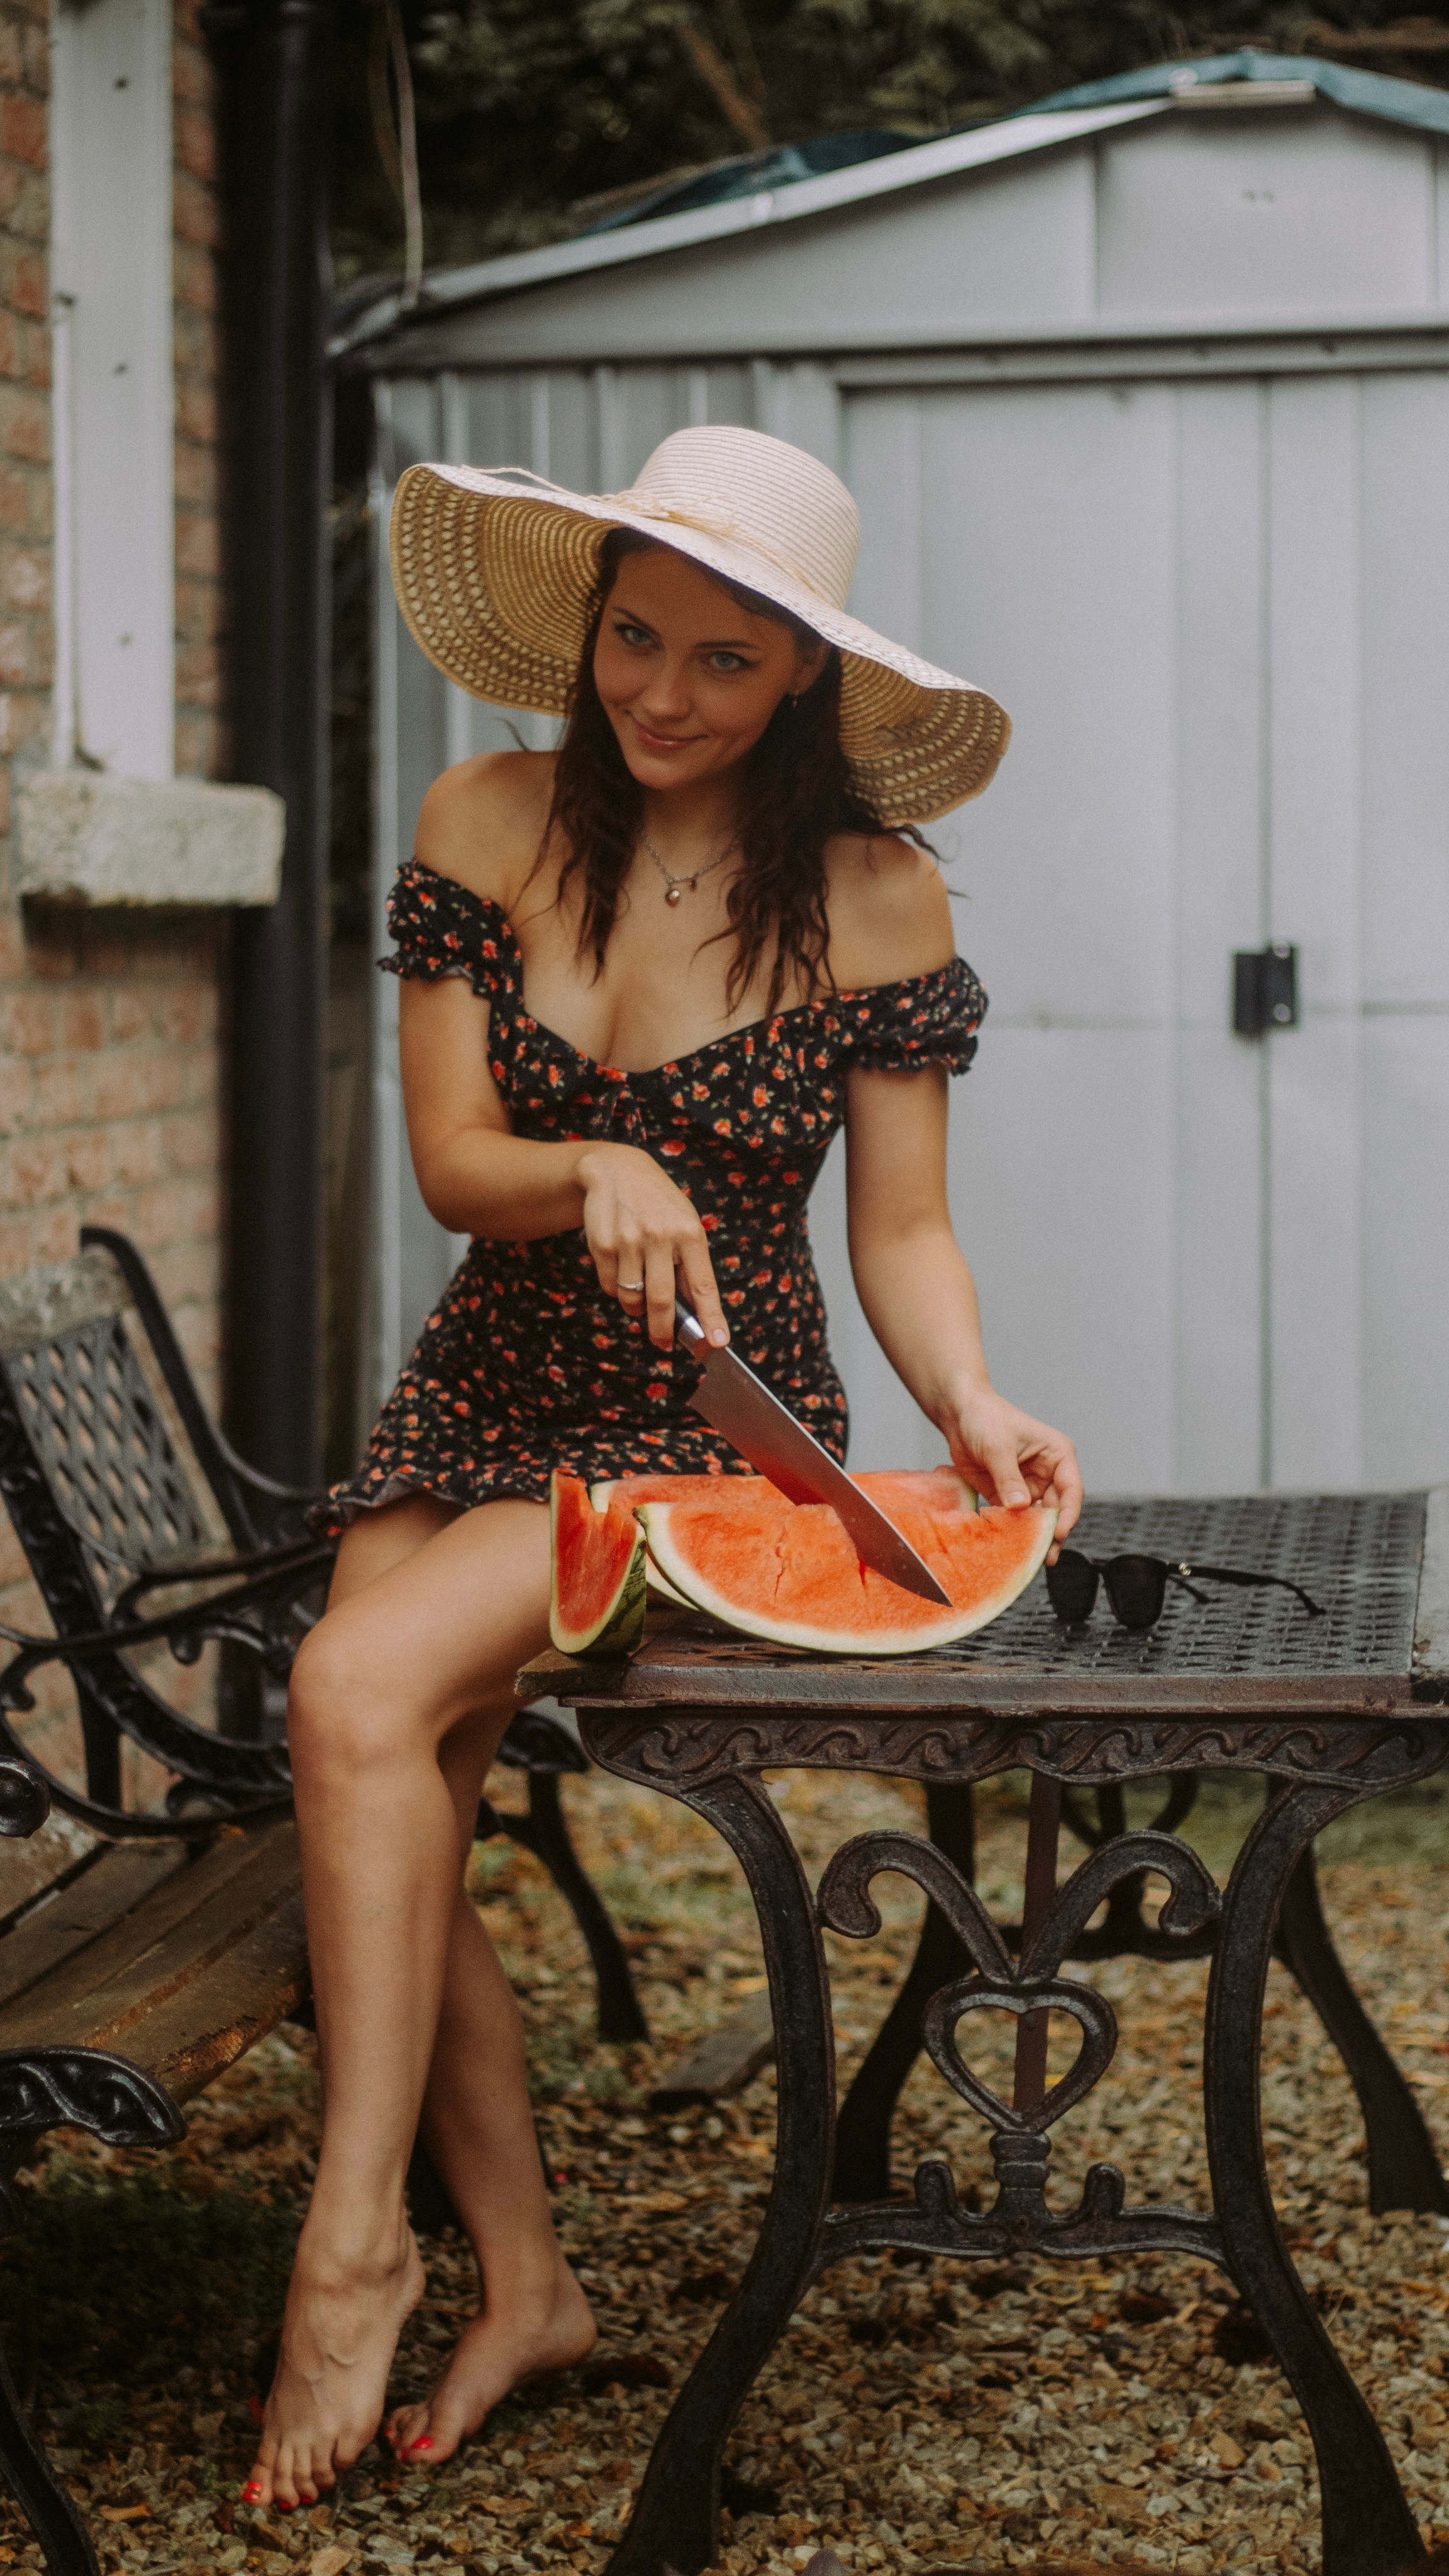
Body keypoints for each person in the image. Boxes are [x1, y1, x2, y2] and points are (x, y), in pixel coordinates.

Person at [243, 426, 1083, 2511]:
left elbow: (899, 1229)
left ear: (802, 671)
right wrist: (595, 1157)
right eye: (636, 638)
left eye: (723, 657)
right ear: (590, 620)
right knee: (397, 1772)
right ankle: (528, 2282)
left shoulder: (881, 899)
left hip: (699, 1419)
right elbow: (455, 1160)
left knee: (349, 1695)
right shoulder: (486, 817)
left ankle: (348, 2255)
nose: (663, 692)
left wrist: (971, 1400)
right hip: (477, 1390)